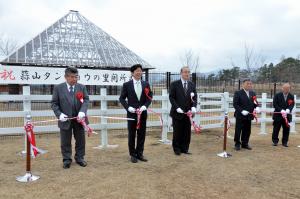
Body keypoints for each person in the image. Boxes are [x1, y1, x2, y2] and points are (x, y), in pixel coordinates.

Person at [51, 67, 89, 169]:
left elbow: (86, 100)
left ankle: (80, 158)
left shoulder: (82, 87)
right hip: (65, 119)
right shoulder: (58, 88)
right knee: (65, 141)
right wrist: (59, 114)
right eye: (72, 77)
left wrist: (82, 111)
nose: (74, 79)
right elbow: (54, 104)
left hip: (79, 119)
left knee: (81, 140)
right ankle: (67, 159)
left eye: (76, 77)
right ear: (66, 77)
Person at [119, 64, 152, 163]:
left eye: (140, 71)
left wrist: (144, 106)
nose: (139, 72)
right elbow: (121, 98)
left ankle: (140, 153)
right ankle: (132, 154)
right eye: (137, 71)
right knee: (132, 134)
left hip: (142, 114)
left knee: (142, 134)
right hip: (132, 115)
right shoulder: (127, 85)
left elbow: (149, 97)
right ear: (132, 73)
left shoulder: (146, 84)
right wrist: (128, 107)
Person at [169, 66, 197, 155]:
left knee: (187, 132)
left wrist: (193, 107)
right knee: (177, 132)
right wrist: (177, 107)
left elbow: (195, 98)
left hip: (188, 114)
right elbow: (171, 97)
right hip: (177, 113)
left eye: (188, 72)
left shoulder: (192, 85)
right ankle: (177, 149)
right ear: (181, 73)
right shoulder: (174, 84)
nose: (187, 74)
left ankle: (185, 148)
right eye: (185, 72)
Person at [233, 78, 259, 151]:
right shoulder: (238, 93)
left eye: (250, 84)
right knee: (238, 130)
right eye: (247, 83)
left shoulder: (252, 93)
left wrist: (257, 107)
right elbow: (235, 104)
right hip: (240, 115)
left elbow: (255, 102)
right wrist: (241, 111)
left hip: (249, 115)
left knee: (247, 130)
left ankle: (245, 143)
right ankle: (237, 144)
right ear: (243, 84)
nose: (249, 85)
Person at [272, 83, 294, 147]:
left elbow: (292, 104)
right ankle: (275, 141)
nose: (286, 90)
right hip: (278, 115)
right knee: (276, 129)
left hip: (287, 116)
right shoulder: (277, 95)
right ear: (282, 88)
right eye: (285, 88)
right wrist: (281, 110)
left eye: (288, 88)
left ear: (290, 89)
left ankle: (285, 142)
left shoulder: (291, 96)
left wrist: (288, 110)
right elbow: (275, 104)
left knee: (286, 129)